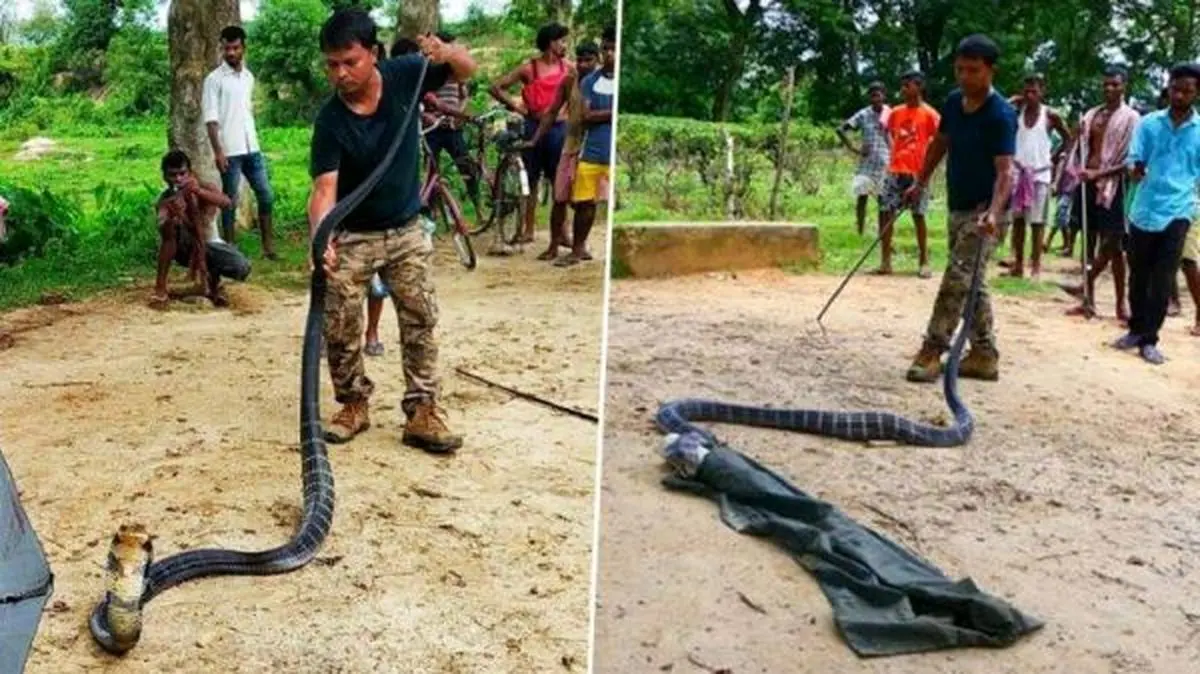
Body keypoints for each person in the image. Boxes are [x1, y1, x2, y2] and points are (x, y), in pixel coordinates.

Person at [307, 10, 477, 452]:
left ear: (374, 54)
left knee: (420, 318)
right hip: (355, 235)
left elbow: (467, 69)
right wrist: (318, 238)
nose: (340, 74)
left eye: (350, 62)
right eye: (332, 64)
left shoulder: (405, 75)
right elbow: (324, 189)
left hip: (405, 229)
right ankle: (353, 404)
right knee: (340, 324)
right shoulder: (330, 121)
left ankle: (423, 412)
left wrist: (447, 51)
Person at [903, 34, 1016, 383]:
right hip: (958, 205)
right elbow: (941, 143)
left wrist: (994, 214)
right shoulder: (954, 103)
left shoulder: (1001, 114)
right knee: (971, 281)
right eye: (960, 69)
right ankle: (983, 354)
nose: (965, 77)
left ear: (990, 71)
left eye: (973, 70)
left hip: (986, 212)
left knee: (956, 278)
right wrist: (919, 181)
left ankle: (933, 349)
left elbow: (1005, 172)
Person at [1114, 63, 1200, 363]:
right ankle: (1135, 329)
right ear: (1169, 87)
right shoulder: (1149, 123)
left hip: (1179, 209)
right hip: (1145, 207)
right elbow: (1133, 158)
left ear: (1196, 93)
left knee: (1163, 277)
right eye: (1176, 89)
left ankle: (1150, 338)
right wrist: (1135, 168)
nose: (1180, 95)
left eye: (1187, 91)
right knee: (1139, 272)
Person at [1060, 67, 1140, 321]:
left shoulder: (1132, 119)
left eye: (1114, 85)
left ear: (1124, 86)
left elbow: (1131, 160)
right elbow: (1080, 148)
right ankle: (1088, 301)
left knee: (1114, 245)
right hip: (1086, 182)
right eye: (1105, 84)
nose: (1109, 89)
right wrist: (1078, 169)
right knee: (1088, 242)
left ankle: (1119, 303)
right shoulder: (1091, 115)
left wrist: (1101, 174)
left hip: (1112, 186)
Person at [489, 22, 573, 246]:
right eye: (562, 41)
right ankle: (528, 229)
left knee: (559, 180)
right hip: (533, 125)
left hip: (559, 128)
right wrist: (517, 108)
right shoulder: (529, 68)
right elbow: (496, 87)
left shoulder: (569, 69)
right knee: (532, 179)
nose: (565, 45)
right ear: (550, 43)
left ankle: (563, 230)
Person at [202, 25, 277, 260]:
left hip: (252, 147)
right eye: (227, 48)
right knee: (229, 199)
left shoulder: (248, 77)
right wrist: (218, 152)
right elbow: (211, 119)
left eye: (235, 48)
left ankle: (268, 248)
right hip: (229, 150)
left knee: (265, 195)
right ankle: (230, 247)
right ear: (222, 49)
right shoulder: (214, 80)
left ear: (243, 48)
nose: (231, 53)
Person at [527, 41, 601, 261]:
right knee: (559, 198)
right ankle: (553, 244)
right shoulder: (569, 81)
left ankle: (579, 247)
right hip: (570, 145)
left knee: (586, 201)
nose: (583, 64)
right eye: (580, 59)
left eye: (588, 60)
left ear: (596, 61)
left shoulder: (602, 82)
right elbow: (551, 112)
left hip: (592, 149)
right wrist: (535, 139)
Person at [152, 150, 251, 309]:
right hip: (185, 249)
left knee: (241, 267)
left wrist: (198, 192)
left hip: (210, 244)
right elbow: (163, 227)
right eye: (173, 175)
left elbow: (227, 203)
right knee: (171, 233)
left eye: (182, 174)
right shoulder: (165, 200)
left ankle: (212, 283)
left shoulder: (204, 187)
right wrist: (173, 218)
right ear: (165, 176)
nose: (178, 179)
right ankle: (160, 287)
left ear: (189, 173)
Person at [554, 26, 614, 267]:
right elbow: (586, 115)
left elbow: (592, 114)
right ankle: (578, 249)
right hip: (592, 150)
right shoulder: (590, 81)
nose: (611, 54)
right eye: (607, 48)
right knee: (583, 203)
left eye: (614, 49)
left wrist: (604, 114)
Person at [1001, 74, 1070, 280]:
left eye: (1034, 91)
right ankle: (1018, 265)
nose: (1029, 95)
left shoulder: (1050, 116)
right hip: (1018, 173)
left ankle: (1037, 266)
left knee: (1038, 222)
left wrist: (1055, 157)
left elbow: (1068, 138)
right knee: (1018, 221)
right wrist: (1011, 100)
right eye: (1026, 91)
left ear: (1042, 92)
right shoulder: (1016, 113)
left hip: (1040, 175)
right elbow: (998, 111)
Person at [877, 71, 938, 278]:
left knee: (918, 215)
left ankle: (924, 261)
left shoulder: (930, 114)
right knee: (886, 212)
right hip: (895, 170)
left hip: (917, 172)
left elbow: (938, 142)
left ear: (919, 87)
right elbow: (891, 135)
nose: (902, 90)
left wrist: (927, 173)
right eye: (902, 86)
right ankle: (885, 261)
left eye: (907, 86)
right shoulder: (895, 112)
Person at [836, 82, 891, 237]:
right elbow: (840, 129)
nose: (875, 99)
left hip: (885, 162)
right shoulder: (863, 114)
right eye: (872, 95)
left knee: (883, 200)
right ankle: (860, 231)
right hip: (866, 163)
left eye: (878, 95)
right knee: (862, 197)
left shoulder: (890, 114)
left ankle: (883, 233)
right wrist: (854, 148)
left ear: (883, 96)